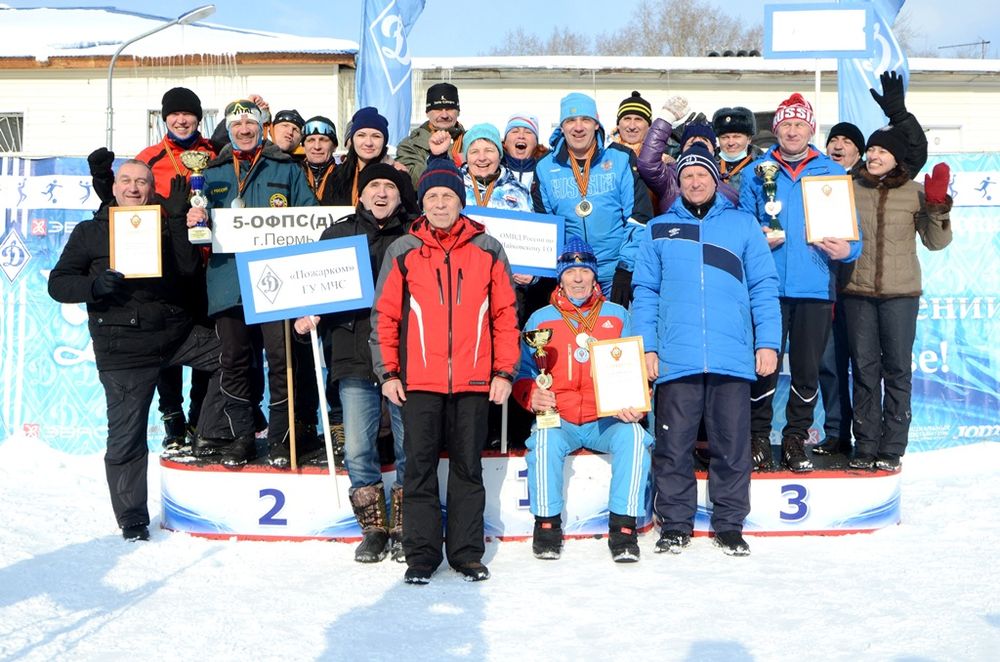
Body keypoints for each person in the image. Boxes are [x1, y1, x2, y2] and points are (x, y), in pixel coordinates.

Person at [48, 160, 224, 541]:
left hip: (176, 335)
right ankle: (132, 518)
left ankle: (205, 433)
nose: (133, 188)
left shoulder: (162, 223)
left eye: (141, 182)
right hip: (123, 351)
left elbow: (189, 269)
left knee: (233, 356)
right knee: (126, 436)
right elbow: (59, 283)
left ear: (151, 188)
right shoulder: (90, 232)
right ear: (113, 188)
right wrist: (95, 287)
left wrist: (178, 221)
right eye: (126, 181)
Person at [370, 159, 519, 585]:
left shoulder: (487, 248)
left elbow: (506, 315)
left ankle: (467, 554)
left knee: (467, 470)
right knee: (417, 471)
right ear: (423, 202)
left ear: (460, 201)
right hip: (418, 383)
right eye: (432, 196)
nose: (439, 204)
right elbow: (385, 316)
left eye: (448, 196)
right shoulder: (404, 250)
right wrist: (389, 373)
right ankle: (421, 556)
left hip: (474, 382)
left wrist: (504, 372)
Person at [633, 145, 780, 556]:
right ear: (677, 184)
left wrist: (767, 342)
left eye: (702, 174)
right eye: (687, 176)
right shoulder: (658, 229)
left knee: (731, 445)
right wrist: (648, 348)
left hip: (731, 355)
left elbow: (764, 287)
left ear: (716, 179)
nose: (695, 182)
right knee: (673, 445)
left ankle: (729, 523)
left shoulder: (743, 225)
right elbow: (645, 292)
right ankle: (676, 523)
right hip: (677, 358)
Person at [186, 99, 318, 466]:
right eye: (237, 124)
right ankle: (241, 435)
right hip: (229, 281)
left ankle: (281, 439)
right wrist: (195, 217)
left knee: (282, 360)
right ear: (228, 130)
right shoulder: (209, 173)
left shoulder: (285, 167)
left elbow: (308, 216)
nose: (244, 129)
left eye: (250, 122)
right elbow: (199, 227)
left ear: (263, 127)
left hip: (277, 282)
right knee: (235, 361)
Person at [295, 163, 415, 563]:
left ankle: (404, 525)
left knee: (408, 444)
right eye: (374, 186)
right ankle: (374, 529)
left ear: (400, 196)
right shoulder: (337, 234)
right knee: (360, 448)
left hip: (404, 355)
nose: (381, 194)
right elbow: (311, 285)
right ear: (360, 194)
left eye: (390, 188)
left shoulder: (415, 236)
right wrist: (307, 314)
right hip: (351, 351)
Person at [88, 86, 218, 452]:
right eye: (174, 114)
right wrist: (102, 184)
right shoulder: (149, 157)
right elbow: (127, 201)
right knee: (169, 342)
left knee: (210, 345)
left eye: (188, 114)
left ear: (199, 118)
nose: (181, 120)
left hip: (213, 263)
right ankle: (173, 418)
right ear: (164, 119)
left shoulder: (215, 154)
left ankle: (200, 419)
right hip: (168, 263)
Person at [740, 93, 861, 473]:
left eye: (799, 124)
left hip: (814, 286)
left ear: (810, 129)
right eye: (785, 125)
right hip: (766, 287)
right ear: (776, 129)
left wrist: (847, 250)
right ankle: (758, 437)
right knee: (764, 366)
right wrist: (757, 237)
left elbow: (852, 236)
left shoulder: (831, 172)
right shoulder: (756, 172)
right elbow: (741, 226)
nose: (792, 131)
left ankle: (795, 438)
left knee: (808, 368)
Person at [512, 238, 653, 563]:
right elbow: (523, 371)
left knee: (634, 438)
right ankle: (546, 525)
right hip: (559, 418)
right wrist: (532, 394)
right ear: (560, 277)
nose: (577, 279)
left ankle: (624, 527)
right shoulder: (539, 320)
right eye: (571, 272)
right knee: (544, 440)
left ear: (594, 276)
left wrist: (635, 402)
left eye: (584, 272)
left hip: (605, 419)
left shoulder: (617, 316)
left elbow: (634, 368)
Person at [841, 127, 952, 471]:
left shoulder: (914, 193)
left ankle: (892, 446)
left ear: (897, 159)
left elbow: (937, 243)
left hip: (901, 295)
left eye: (882, 152)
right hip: (857, 292)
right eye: (871, 149)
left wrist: (936, 207)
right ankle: (866, 443)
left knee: (898, 370)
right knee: (863, 369)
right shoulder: (848, 189)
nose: (873, 156)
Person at [533, 92, 653, 306]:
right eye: (570, 121)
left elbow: (638, 217)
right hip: (572, 277)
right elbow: (545, 228)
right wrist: (560, 270)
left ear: (596, 124)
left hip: (615, 274)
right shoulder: (544, 167)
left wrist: (626, 268)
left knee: (617, 336)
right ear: (562, 127)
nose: (578, 127)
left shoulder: (620, 158)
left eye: (586, 120)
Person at [638, 116, 739, 215]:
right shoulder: (670, 179)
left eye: (704, 146)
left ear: (713, 150)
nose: (697, 150)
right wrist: (666, 118)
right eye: (691, 146)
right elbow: (648, 163)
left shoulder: (728, 190)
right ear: (682, 150)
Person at [328, 106, 417, 212]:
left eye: (376, 136)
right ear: (353, 140)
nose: (368, 143)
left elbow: (411, 217)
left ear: (384, 141)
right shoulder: (337, 175)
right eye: (361, 135)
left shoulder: (398, 176)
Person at [396, 82, 465, 187]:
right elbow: (412, 182)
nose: (444, 115)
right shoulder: (410, 145)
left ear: (458, 112)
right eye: (438, 109)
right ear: (427, 112)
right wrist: (441, 157)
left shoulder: (472, 142)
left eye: (450, 109)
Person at [712, 106, 763, 192]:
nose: (731, 143)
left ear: (749, 139)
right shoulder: (709, 162)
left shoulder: (762, 164)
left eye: (737, 137)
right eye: (725, 137)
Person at [501, 113, 548, 190]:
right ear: (505, 142)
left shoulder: (547, 171)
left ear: (536, 143)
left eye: (528, 132)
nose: (521, 136)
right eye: (515, 131)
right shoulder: (494, 170)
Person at [300, 115, 339, 204]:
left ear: (334, 146)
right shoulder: (294, 173)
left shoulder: (345, 175)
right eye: (311, 140)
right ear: (303, 146)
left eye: (323, 140)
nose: (317, 147)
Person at [610, 90, 653, 156]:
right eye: (627, 119)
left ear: (649, 126)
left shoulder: (661, 159)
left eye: (638, 119)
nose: (632, 126)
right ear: (618, 125)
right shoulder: (603, 157)